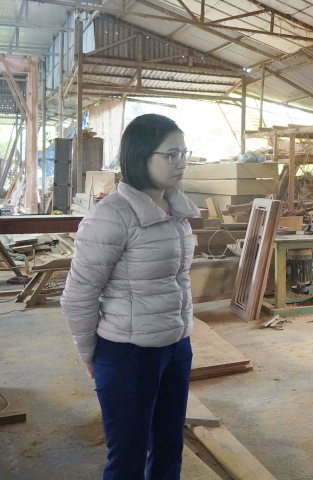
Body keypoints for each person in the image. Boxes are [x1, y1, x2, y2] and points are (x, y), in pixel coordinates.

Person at [61, 114, 199, 480]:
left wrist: (182, 334)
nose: (181, 162)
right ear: (140, 155)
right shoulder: (111, 216)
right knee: (128, 458)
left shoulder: (176, 209)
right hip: (128, 352)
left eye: (184, 153)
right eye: (171, 154)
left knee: (169, 447)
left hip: (176, 345)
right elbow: (79, 294)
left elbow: (177, 280)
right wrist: (89, 353)